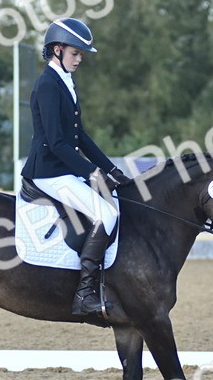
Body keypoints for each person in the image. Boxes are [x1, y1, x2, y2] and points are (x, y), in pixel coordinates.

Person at [21, 17, 131, 318]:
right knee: (106, 213)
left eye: (81, 54)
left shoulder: (65, 82)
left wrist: (110, 168)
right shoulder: (47, 85)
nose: (79, 58)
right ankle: (84, 295)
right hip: (47, 172)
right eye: (75, 53)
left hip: (62, 169)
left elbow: (79, 135)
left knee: (113, 203)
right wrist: (90, 173)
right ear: (57, 50)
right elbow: (57, 142)